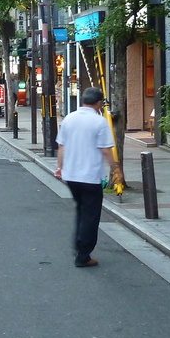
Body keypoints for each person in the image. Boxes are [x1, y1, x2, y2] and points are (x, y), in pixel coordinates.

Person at [53, 87, 119, 268]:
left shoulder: (69, 118)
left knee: (81, 210)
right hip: (90, 176)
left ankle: (78, 243)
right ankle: (83, 254)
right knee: (91, 215)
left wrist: (60, 168)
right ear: (99, 103)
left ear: (82, 101)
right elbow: (105, 150)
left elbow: (62, 147)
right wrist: (116, 169)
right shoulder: (99, 121)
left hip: (71, 176)